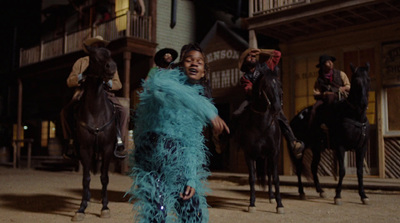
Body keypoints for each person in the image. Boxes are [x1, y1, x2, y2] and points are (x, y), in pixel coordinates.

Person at [128, 43, 229, 223]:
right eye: (189, 60)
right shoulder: (164, 80)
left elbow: (192, 144)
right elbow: (159, 86)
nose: (194, 64)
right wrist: (206, 108)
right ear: (181, 66)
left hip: (179, 163)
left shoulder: (198, 102)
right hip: (152, 161)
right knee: (156, 215)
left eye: (199, 62)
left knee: (193, 215)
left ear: (204, 71)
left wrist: (191, 178)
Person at [60, 35, 129, 159]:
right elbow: (69, 81)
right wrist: (81, 77)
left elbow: (118, 84)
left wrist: (107, 82)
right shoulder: (81, 62)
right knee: (65, 112)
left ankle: (119, 140)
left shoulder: (108, 62)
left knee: (123, 111)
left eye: (101, 46)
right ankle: (70, 141)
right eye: (96, 46)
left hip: (105, 93)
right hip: (84, 92)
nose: (99, 48)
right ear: (91, 48)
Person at [236, 48, 304, 158]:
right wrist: (256, 88)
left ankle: (293, 142)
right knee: (237, 113)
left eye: (253, 56)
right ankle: (235, 139)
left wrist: (261, 51)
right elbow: (248, 89)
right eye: (249, 56)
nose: (252, 58)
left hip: (269, 99)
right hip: (253, 100)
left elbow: (277, 54)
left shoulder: (264, 67)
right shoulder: (245, 77)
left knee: (281, 117)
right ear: (245, 61)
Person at [309, 54, 350, 128]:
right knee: (314, 109)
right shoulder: (319, 79)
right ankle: (313, 127)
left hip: (340, 96)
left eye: (331, 61)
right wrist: (324, 94)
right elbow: (316, 93)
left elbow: (348, 86)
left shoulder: (341, 74)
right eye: (328, 62)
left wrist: (343, 88)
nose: (331, 63)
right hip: (325, 99)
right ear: (323, 65)